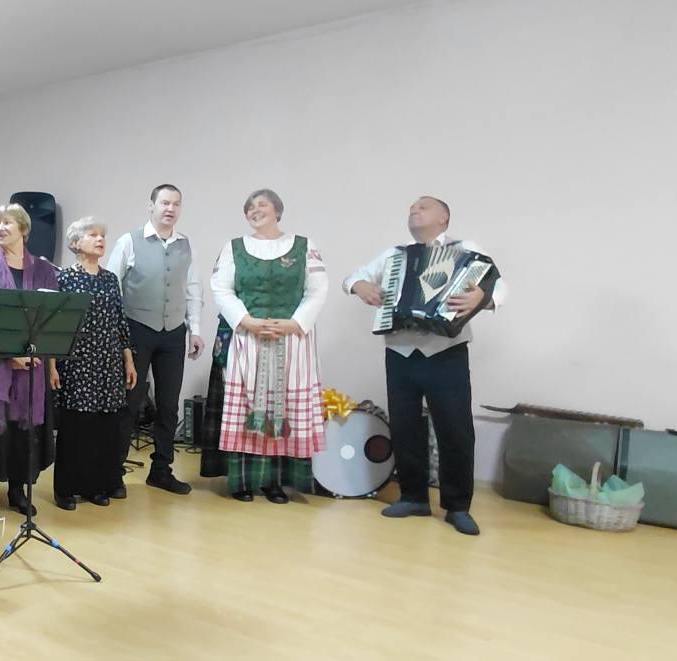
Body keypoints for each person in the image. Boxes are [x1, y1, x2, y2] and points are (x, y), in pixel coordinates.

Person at [343, 195, 509, 536]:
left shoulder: (467, 250)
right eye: (411, 208)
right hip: (400, 352)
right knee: (405, 427)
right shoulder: (394, 255)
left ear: (443, 218)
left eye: (422, 207)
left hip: (446, 351)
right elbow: (353, 278)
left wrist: (482, 298)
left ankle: (458, 506)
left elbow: (499, 284)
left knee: (455, 430)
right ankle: (413, 497)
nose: (413, 211)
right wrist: (360, 286)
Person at [207, 190, 328, 503]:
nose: (254, 209)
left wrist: (294, 323)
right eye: (250, 206)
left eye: (262, 204)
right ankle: (244, 480)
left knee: (283, 406)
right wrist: (246, 321)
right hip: (249, 338)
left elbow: (316, 291)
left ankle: (275, 481)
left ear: (278, 210)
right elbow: (222, 288)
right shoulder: (234, 248)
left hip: (292, 339)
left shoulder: (305, 246)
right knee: (248, 406)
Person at [106, 184, 204, 496]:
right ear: (152, 206)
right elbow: (111, 285)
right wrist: (116, 334)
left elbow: (193, 288)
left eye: (176, 204)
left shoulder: (185, 245)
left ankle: (161, 470)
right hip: (136, 329)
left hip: (174, 332)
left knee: (168, 405)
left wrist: (196, 329)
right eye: (164, 202)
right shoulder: (129, 241)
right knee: (129, 403)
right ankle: (113, 472)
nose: (170, 208)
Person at [0, 204, 60, 515]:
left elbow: (51, 318)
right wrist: (11, 354)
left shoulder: (45, 270)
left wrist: (34, 355)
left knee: (23, 433)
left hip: (32, 368)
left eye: (7, 222)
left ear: (24, 229)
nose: (0, 228)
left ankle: (17, 490)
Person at [50, 217, 137, 510]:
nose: (100, 239)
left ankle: (96, 486)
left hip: (108, 362)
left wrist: (128, 360)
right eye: (93, 235)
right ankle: (66, 489)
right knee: (77, 427)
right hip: (77, 362)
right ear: (76, 243)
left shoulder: (110, 279)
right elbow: (54, 327)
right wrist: (51, 365)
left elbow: (120, 322)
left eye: (102, 235)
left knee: (105, 428)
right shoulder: (64, 278)